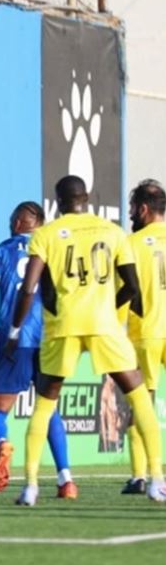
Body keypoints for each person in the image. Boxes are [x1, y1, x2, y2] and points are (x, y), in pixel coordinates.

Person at [8, 175, 164, 506]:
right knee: (138, 396)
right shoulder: (113, 232)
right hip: (105, 325)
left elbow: (30, 288)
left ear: (58, 200)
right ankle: (156, 480)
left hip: (63, 326)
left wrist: (14, 330)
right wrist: (108, 305)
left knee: (45, 405)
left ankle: (31, 486)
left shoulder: (46, 235)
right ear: (87, 198)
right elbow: (132, 287)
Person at [0, 202, 76, 498]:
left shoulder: (0, 252)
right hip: (50, 338)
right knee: (47, 408)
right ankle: (66, 480)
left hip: (14, 338)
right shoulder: (52, 250)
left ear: (16, 224)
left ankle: (2, 443)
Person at [121, 179, 166, 494]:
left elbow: (126, 293)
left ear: (144, 209)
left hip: (145, 333)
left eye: (133, 208)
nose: (130, 214)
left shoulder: (132, 244)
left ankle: (140, 475)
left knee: (141, 404)